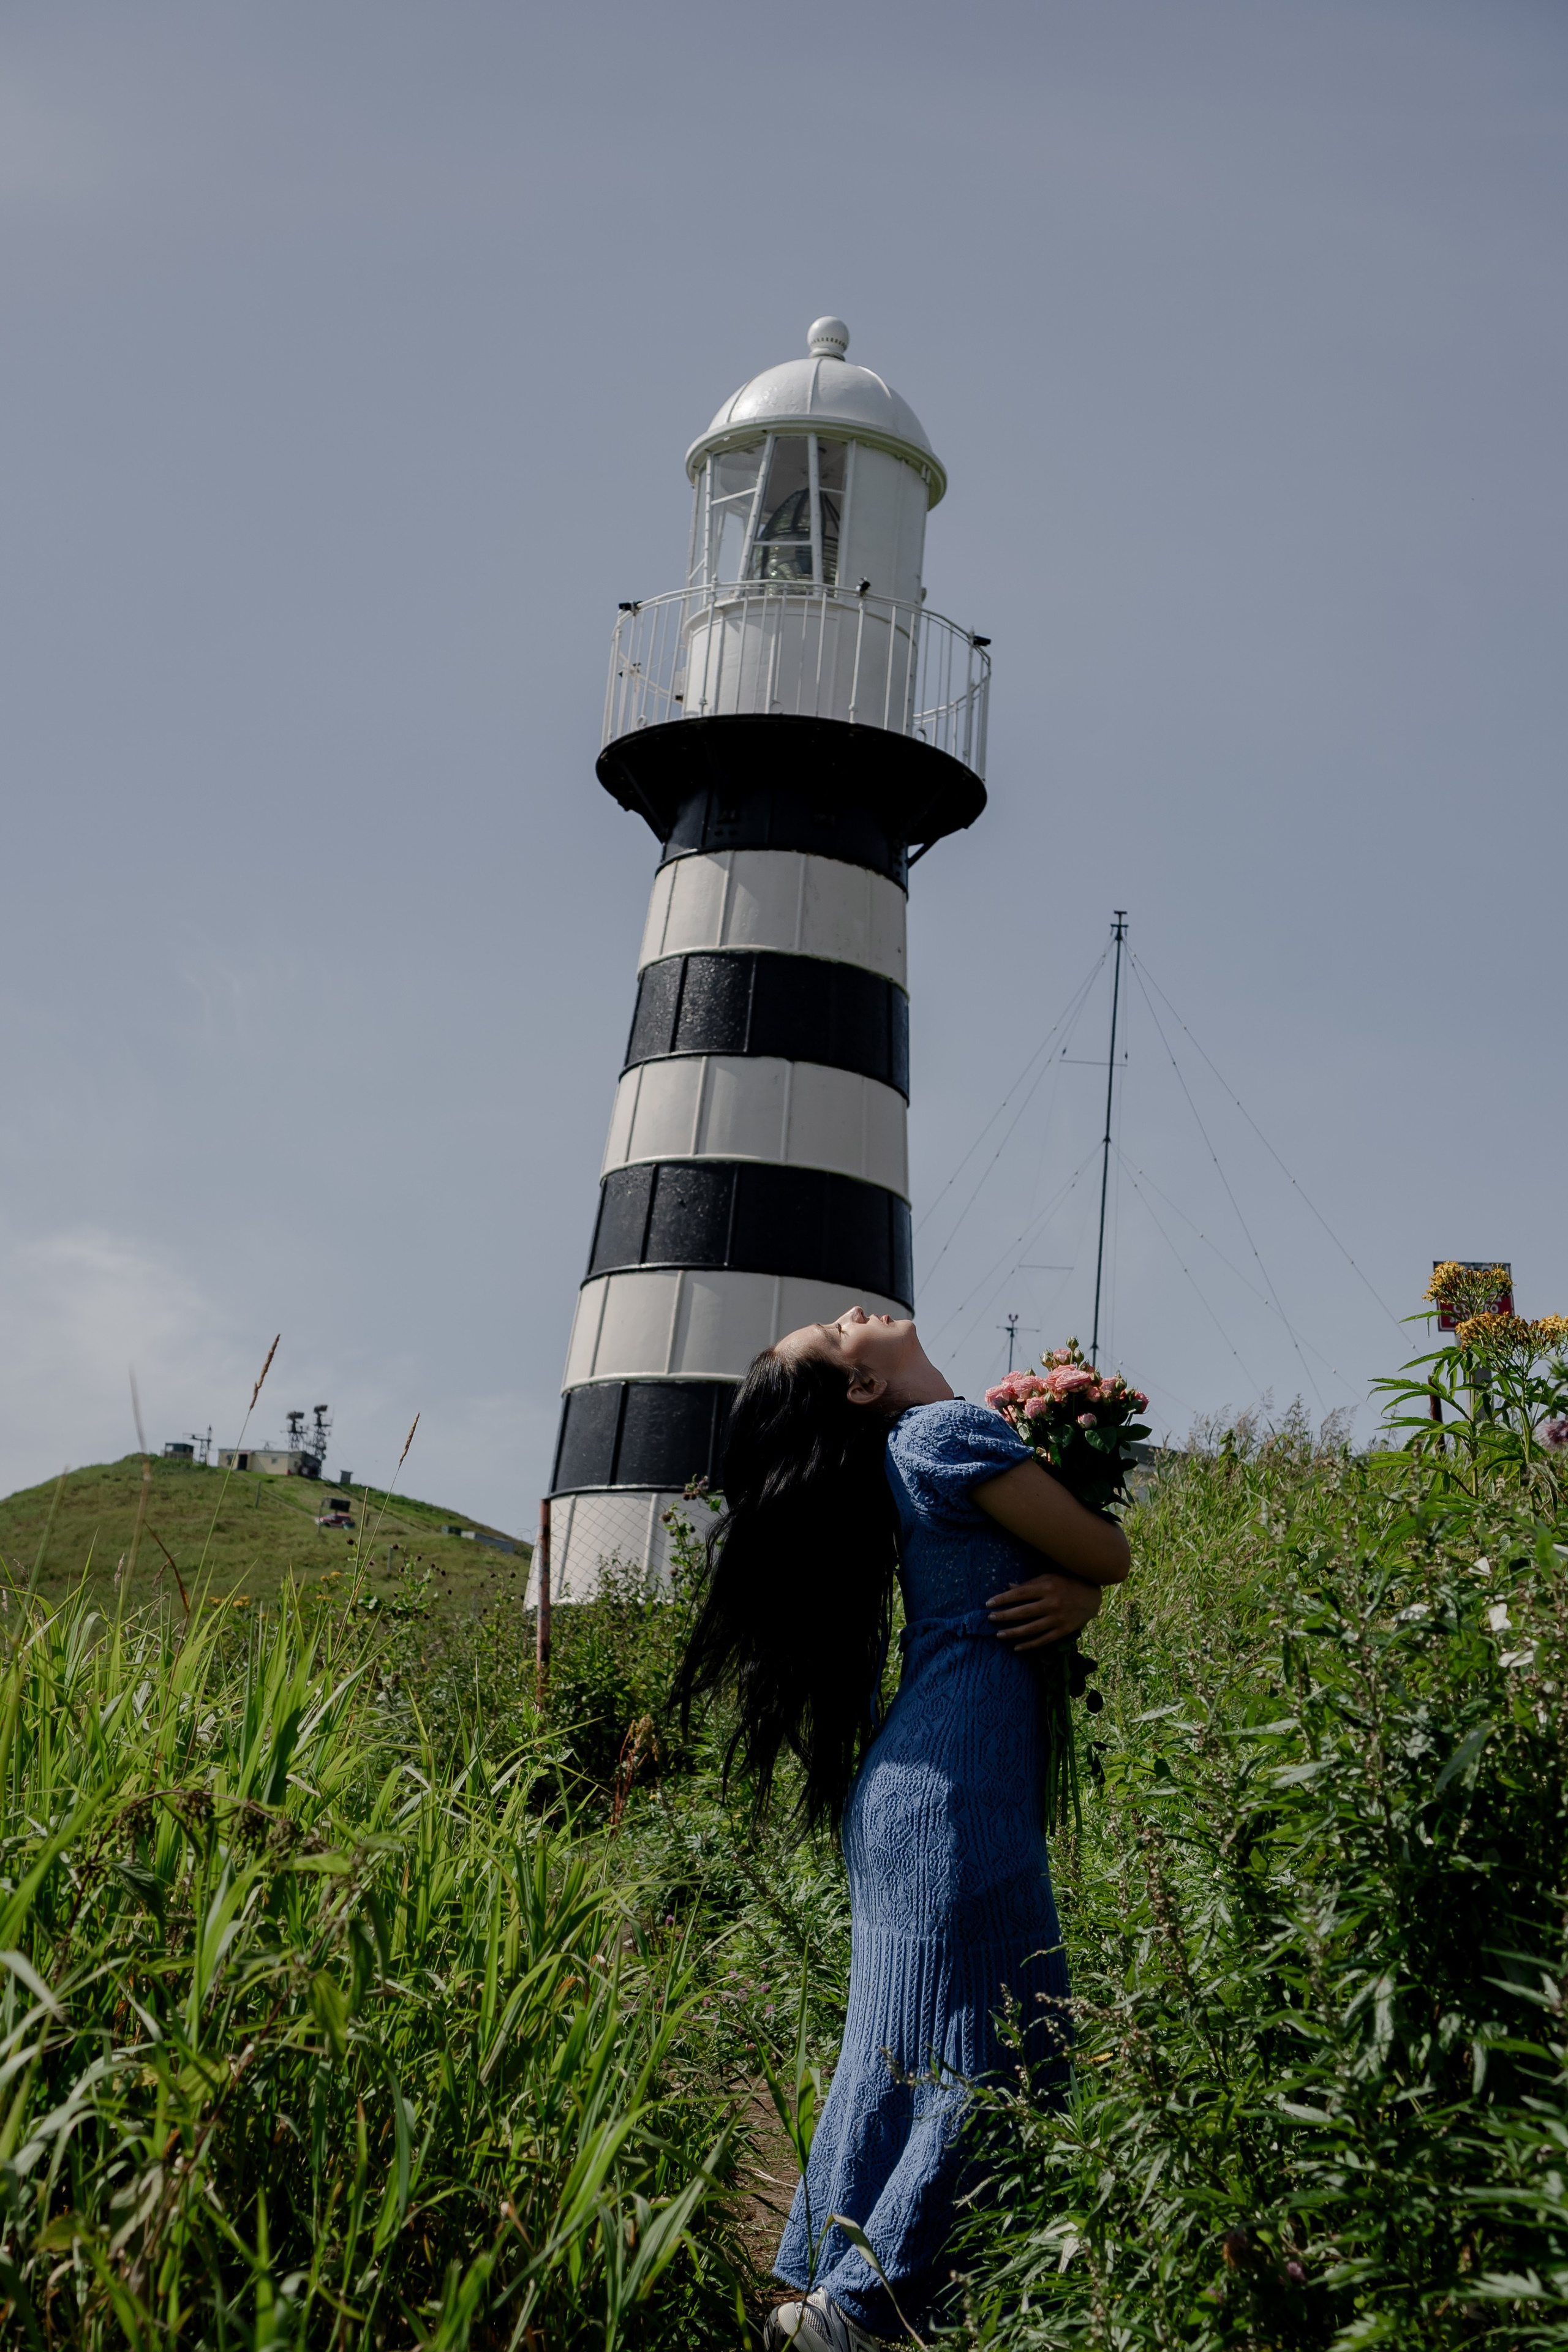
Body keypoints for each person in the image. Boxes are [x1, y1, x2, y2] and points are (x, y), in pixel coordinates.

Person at [674, 1306, 1131, 2350]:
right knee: (994, 2050)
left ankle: (823, 2283)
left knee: (899, 2050)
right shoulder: (944, 1434)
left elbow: (1044, 1575)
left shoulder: (911, 1452)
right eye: (836, 1336)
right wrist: (1089, 1589)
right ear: (864, 1388)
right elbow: (1107, 1551)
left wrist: (1073, 1592)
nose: (851, 1314)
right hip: (955, 1792)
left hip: (916, 1792)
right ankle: (866, 2310)